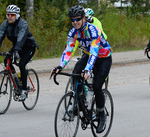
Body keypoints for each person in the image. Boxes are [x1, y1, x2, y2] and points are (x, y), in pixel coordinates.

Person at [50, 5, 112, 133]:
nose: (75, 22)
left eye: (77, 19)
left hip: (103, 58)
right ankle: (79, 103)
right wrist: (60, 66)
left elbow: (95, 51)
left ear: (84, 18)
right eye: (72, 20)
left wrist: (88, 69)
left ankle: (101, 114)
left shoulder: (93, 30)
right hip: (89, 55)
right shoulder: (73, 32)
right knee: (75, 73)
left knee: (96, 86)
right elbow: (69, 50)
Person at [0, 5, 39, 101]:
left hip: (28, 47)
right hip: (17, 47)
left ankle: (24, 90)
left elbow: (21, 38)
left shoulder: (23, 24)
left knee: (22, 64)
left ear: (17, 15)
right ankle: (16, 80)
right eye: (8, 14)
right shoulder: (5, 24)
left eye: (12, 14)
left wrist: (16, 51)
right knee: (7, 60)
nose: (9, 16)